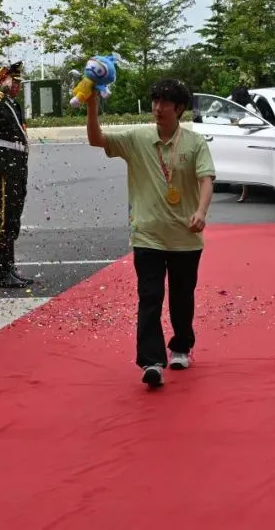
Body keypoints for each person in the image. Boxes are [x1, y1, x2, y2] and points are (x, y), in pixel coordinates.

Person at [85, 78, 215, 388]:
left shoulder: (195, 143)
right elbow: (96, 139)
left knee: (182, 298)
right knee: (150, 297)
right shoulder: (137, 138)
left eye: (165, 103)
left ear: (179, 108)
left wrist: (201, 211)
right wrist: (92, 106)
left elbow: (206, 178)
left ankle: (181, 346)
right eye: (155, 101)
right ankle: (152, 361)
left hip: (185, 237)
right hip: (147, 235)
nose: (157, 108)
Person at [0, 62, 32, 289]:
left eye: (18, 83)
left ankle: (10, 267)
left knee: (13, 218)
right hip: (4, 164)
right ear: (3, 81)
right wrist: (0, 88)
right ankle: (2, 273)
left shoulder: (14, 104)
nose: (17, 87)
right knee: (3, 219)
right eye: (14, 82)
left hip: (17, 164)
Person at [230, 87, 259, 203]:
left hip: (251, 139)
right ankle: (245, 191)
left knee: (244, 164)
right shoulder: (245, 107)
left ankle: (245, 192)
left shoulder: (249, 107)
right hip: (247, 138)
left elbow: (250, 122)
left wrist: (237, 123)